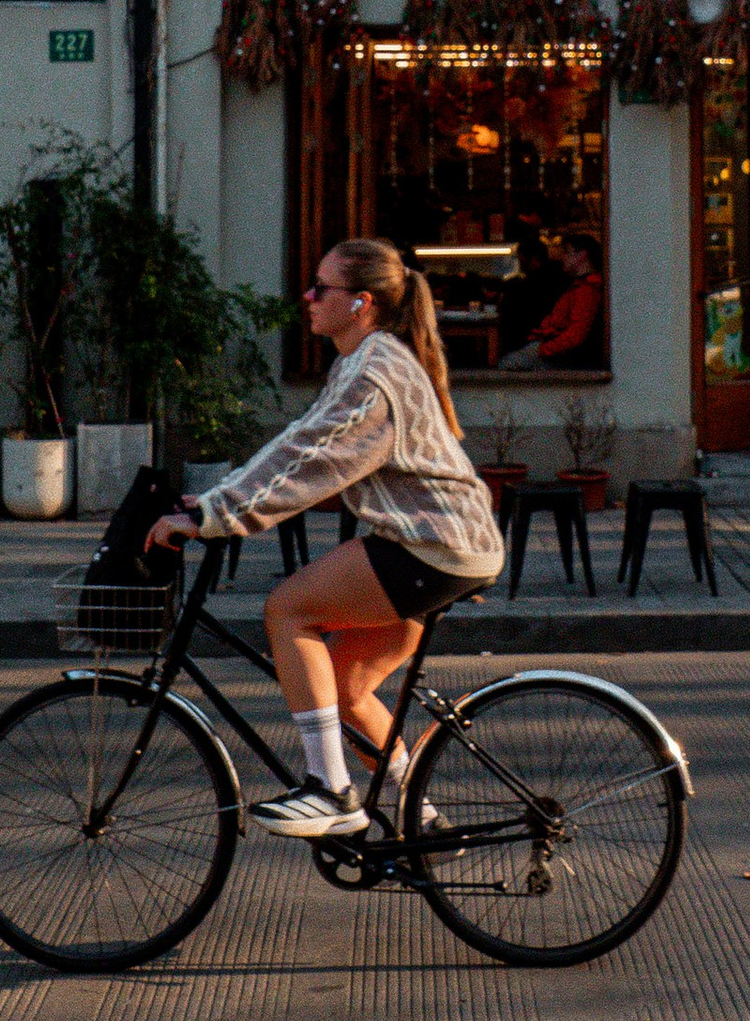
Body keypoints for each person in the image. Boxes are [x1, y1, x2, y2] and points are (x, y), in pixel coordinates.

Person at [145, 235, 504, 838]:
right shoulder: (364, 360)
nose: (306, 297)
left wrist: (215, 516)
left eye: (321, 288)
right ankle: (426, 822)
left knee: (288, 610)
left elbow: (312, 461)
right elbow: (300, 440)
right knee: (343, 686)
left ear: (362, 302)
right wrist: (215, 501)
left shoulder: (374, 374)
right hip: (444, 544)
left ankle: (332, 792)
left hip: (430, 545)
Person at [498, 228, 604, 371]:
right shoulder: (580, 286)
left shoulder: (586, 290)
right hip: (557, 350)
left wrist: (543, 349)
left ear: (582, 256)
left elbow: (576, 336)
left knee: (506, 364)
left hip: (560, 356)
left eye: (567, 252)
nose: (562, 257)